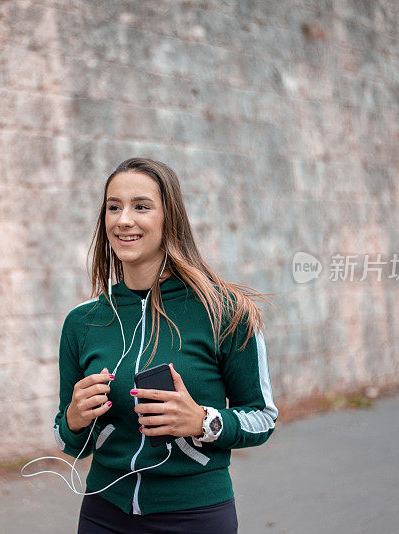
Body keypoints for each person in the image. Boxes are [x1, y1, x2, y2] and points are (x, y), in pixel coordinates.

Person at [53, 157, 278, 533]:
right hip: (103, 512)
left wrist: (203, 421)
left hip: (195, 514)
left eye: (141, 206)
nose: (124, 219)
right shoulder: (82, 322)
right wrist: (75, 417)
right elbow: (66, 440)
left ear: (169, 217)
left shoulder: (226, 312)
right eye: (113, 207)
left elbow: (263, 417)